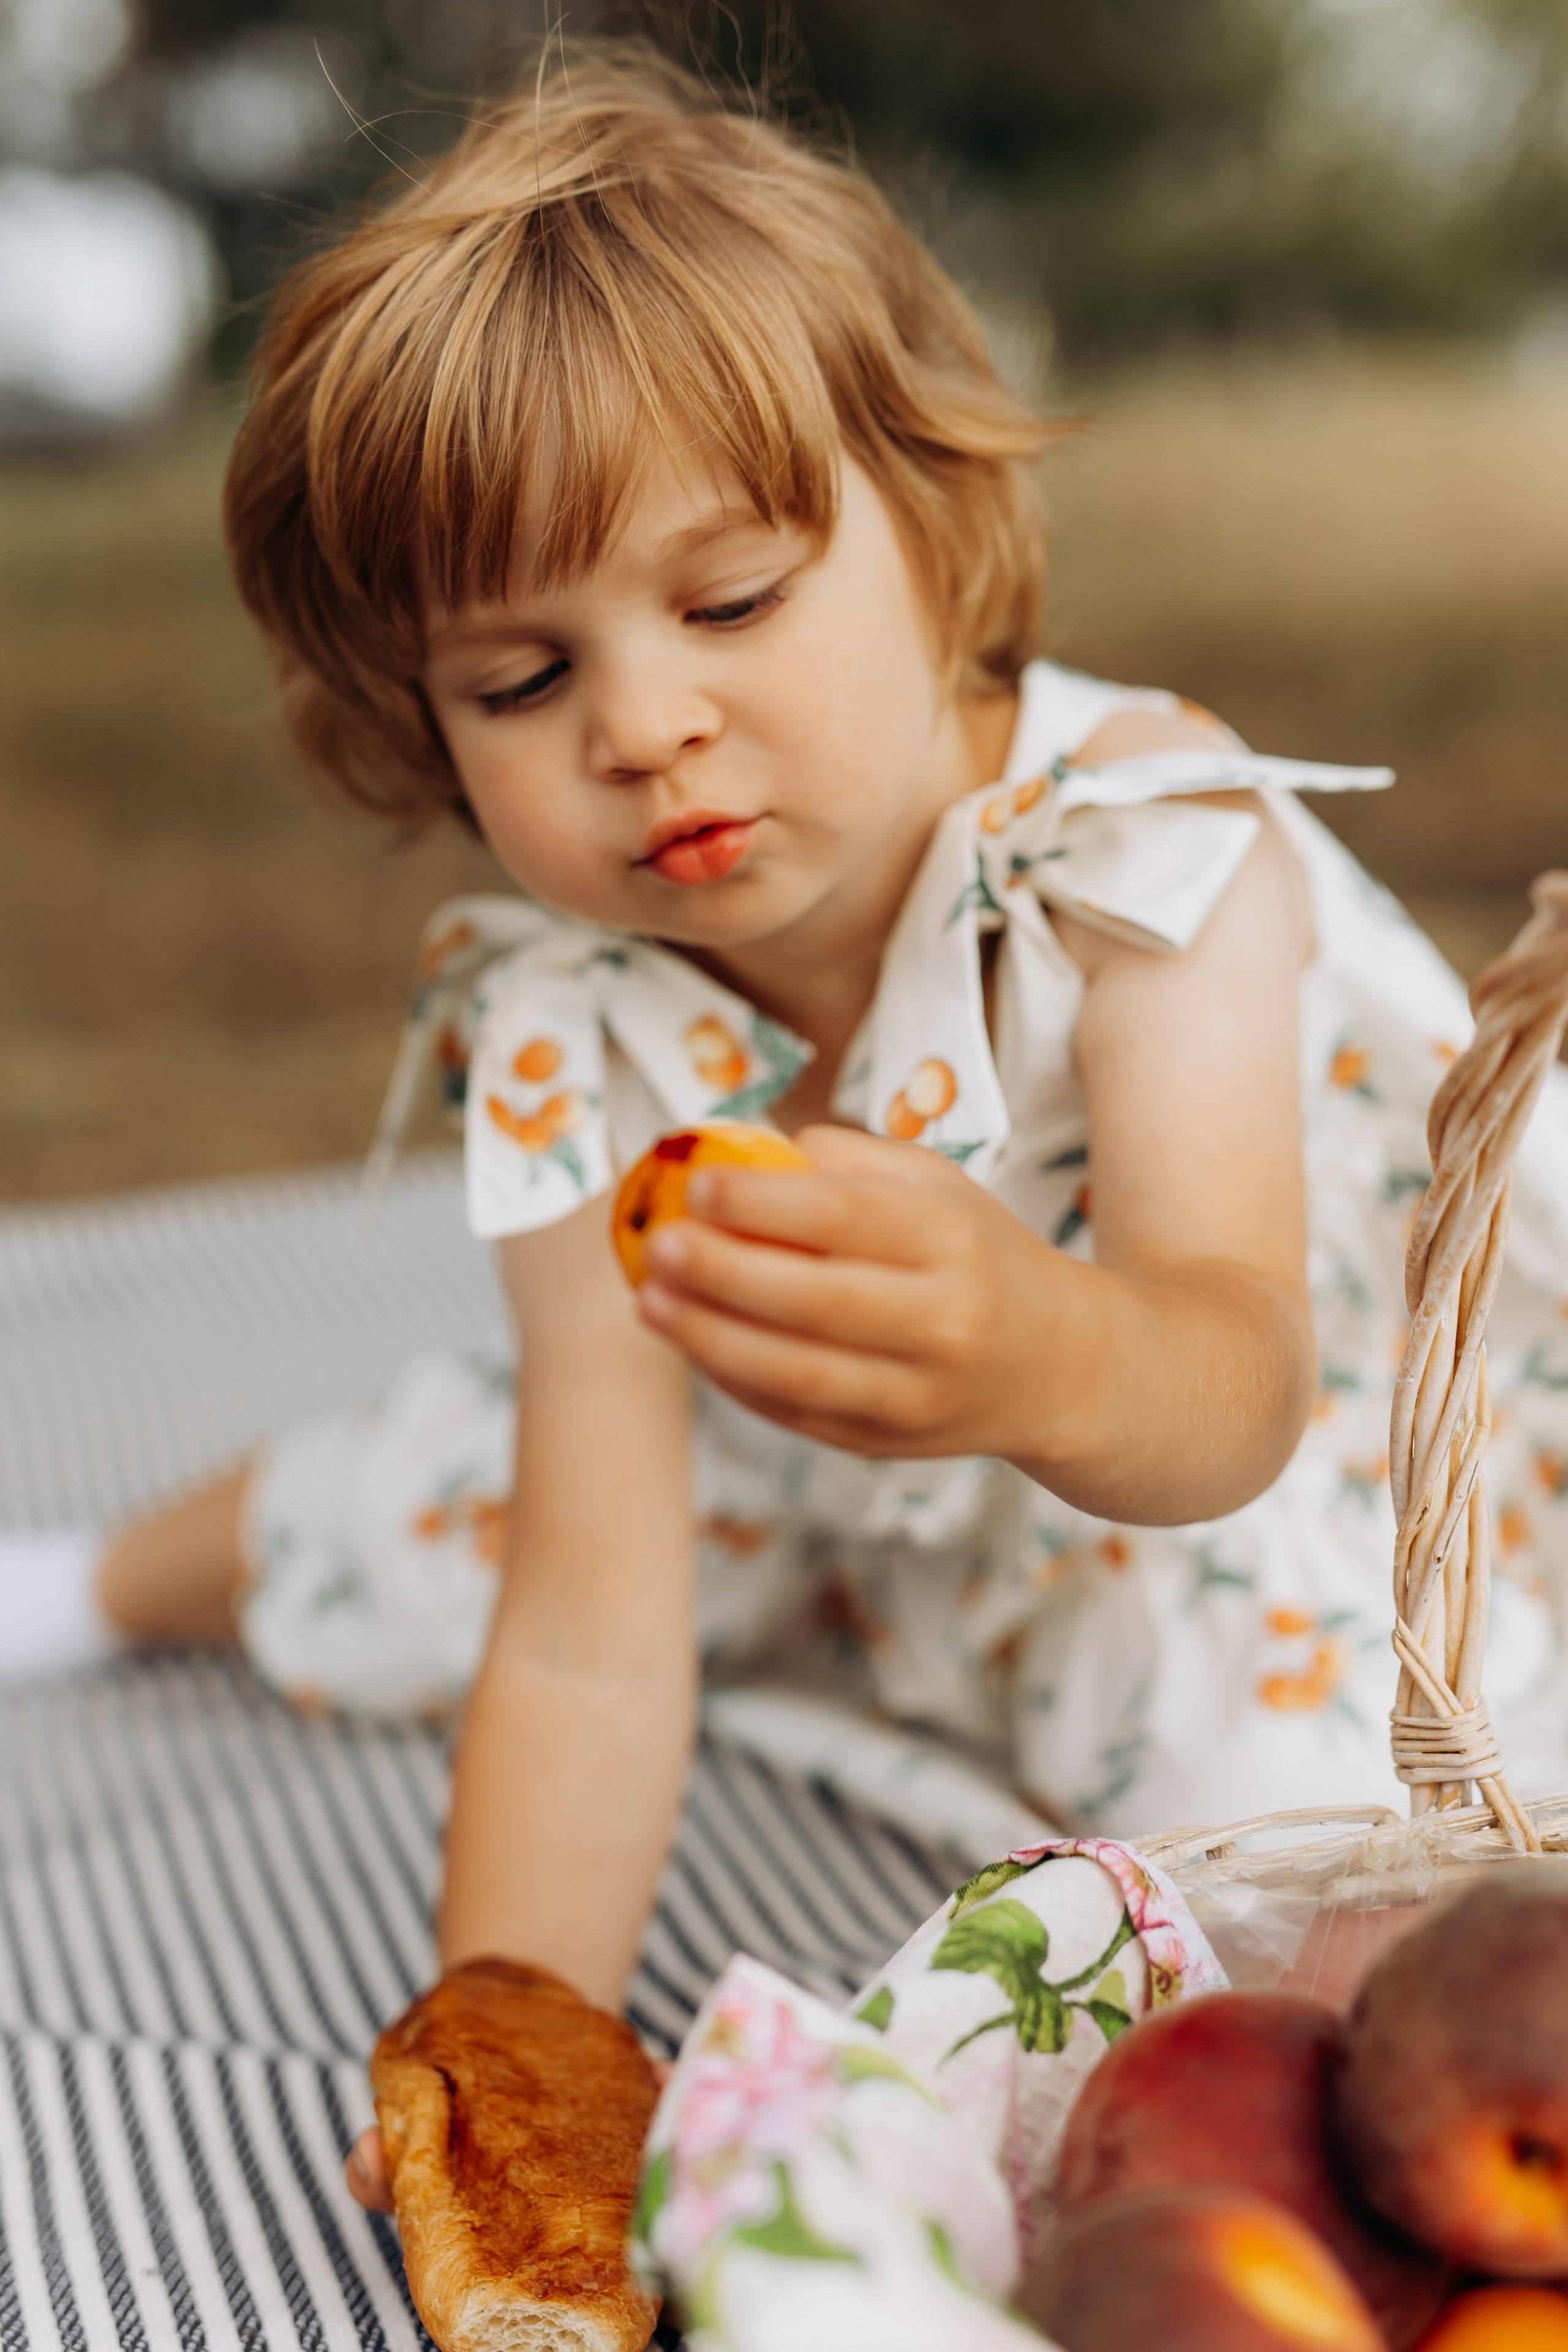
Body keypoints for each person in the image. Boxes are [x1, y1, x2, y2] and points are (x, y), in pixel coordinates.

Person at [5, 44, 1568, 2213]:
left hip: (1255, 1458)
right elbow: (587, 1619)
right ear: (421, 727)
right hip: (810, 1480)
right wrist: (515, 2013)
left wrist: (1036, 1350)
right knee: (438, 1507)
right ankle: (82, 1580)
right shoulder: (573, 1022)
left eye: (728, 601)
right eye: (520, 683)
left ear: (930, 531)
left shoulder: (1146, 852)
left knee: (1286, 1847)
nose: (647, 725)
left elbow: (1231, 1383)